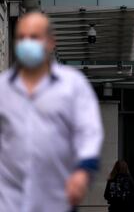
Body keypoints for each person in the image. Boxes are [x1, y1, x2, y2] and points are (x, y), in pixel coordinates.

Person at [0, 12, 104, 212]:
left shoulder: (73, 85)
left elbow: (88, 133)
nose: (27, 44)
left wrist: (83, 172)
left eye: (34, 37)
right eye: (21, 38)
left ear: (50, 42)